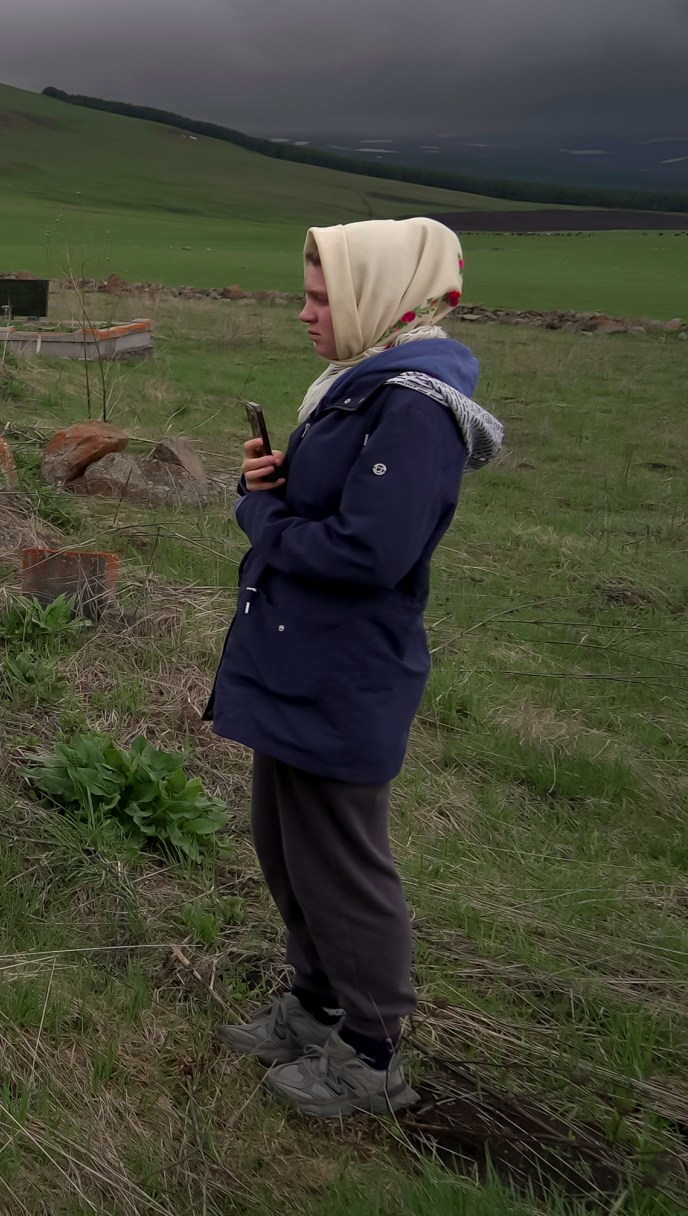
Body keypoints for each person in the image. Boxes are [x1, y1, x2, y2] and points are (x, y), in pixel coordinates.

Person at [210, 217, 503, 1119]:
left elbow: (370, 553)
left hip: (342, 674)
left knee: (342, 861)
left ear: (382, 297)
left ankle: (373, 1054)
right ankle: (314, 1005)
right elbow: (338, 508)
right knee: (286, 847)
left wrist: (262, 521)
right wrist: (279, 484)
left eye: (323, 296)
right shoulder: (355, 387)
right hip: (299, 660)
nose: (305, 312)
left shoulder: (412, 406)